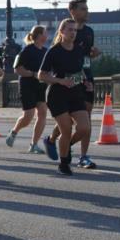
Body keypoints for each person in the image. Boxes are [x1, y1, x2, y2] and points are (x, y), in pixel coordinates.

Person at [45, 0, 100, 168]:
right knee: (66, 122)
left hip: (83, 78)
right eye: (83, 9)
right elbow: (46, 70)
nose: (87, 11)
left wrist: (93, 55)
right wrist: (60, 80)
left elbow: (84, 58)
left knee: (85, 120)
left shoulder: (89, 32)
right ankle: (54, 140)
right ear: (73, 11)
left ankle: (82, 155)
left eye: (87, 8)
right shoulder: (58, 45)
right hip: (62, 87)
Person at [38, 19, 93, 176]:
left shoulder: (78, 49)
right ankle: (64, 164)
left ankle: (65, 146)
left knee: (84, 128)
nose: (73, 33)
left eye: (74, 30)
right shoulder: (54, 51)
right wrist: (60, 80)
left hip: (75, 93)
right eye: (69, 30)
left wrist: (86, 82)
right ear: (61, 32)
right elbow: (41, 75)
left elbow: (80, 70)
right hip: (57, 95)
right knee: (66, 129)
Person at [7, 25, 49, 153]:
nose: (47, 35)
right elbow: (17, 69)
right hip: (27, 86)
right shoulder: (26, 50)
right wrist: (32, 74)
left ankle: (33, 145)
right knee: (28, 116)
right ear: (39, 35)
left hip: (41, 87)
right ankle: (14, 131)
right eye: (45, 33)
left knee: (42, 113)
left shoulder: (46, 51)